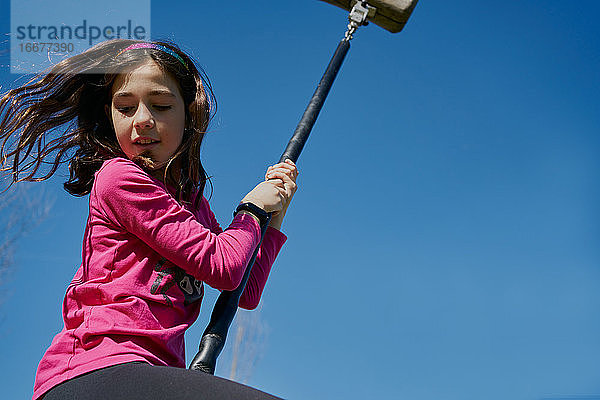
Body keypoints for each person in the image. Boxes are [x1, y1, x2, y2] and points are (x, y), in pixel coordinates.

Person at [0, 39, 298, 400]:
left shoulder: (192, 203)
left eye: (160, 105)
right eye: (125, 107)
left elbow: (243, 289)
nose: (142, 120)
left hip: (150, 374)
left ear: (189, 115)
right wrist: (251, 209)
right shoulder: (118, 179)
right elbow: (224, 264)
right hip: (97, 369)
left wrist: (272, 218)